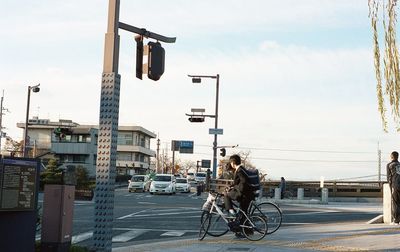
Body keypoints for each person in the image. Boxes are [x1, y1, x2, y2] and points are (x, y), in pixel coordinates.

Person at [387, 151, 400, 224]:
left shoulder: (389, 165)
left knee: (395, 203)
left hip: (394, 185)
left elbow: (389, 178)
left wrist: (390, 187)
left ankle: (396, 220)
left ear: (391, 156)